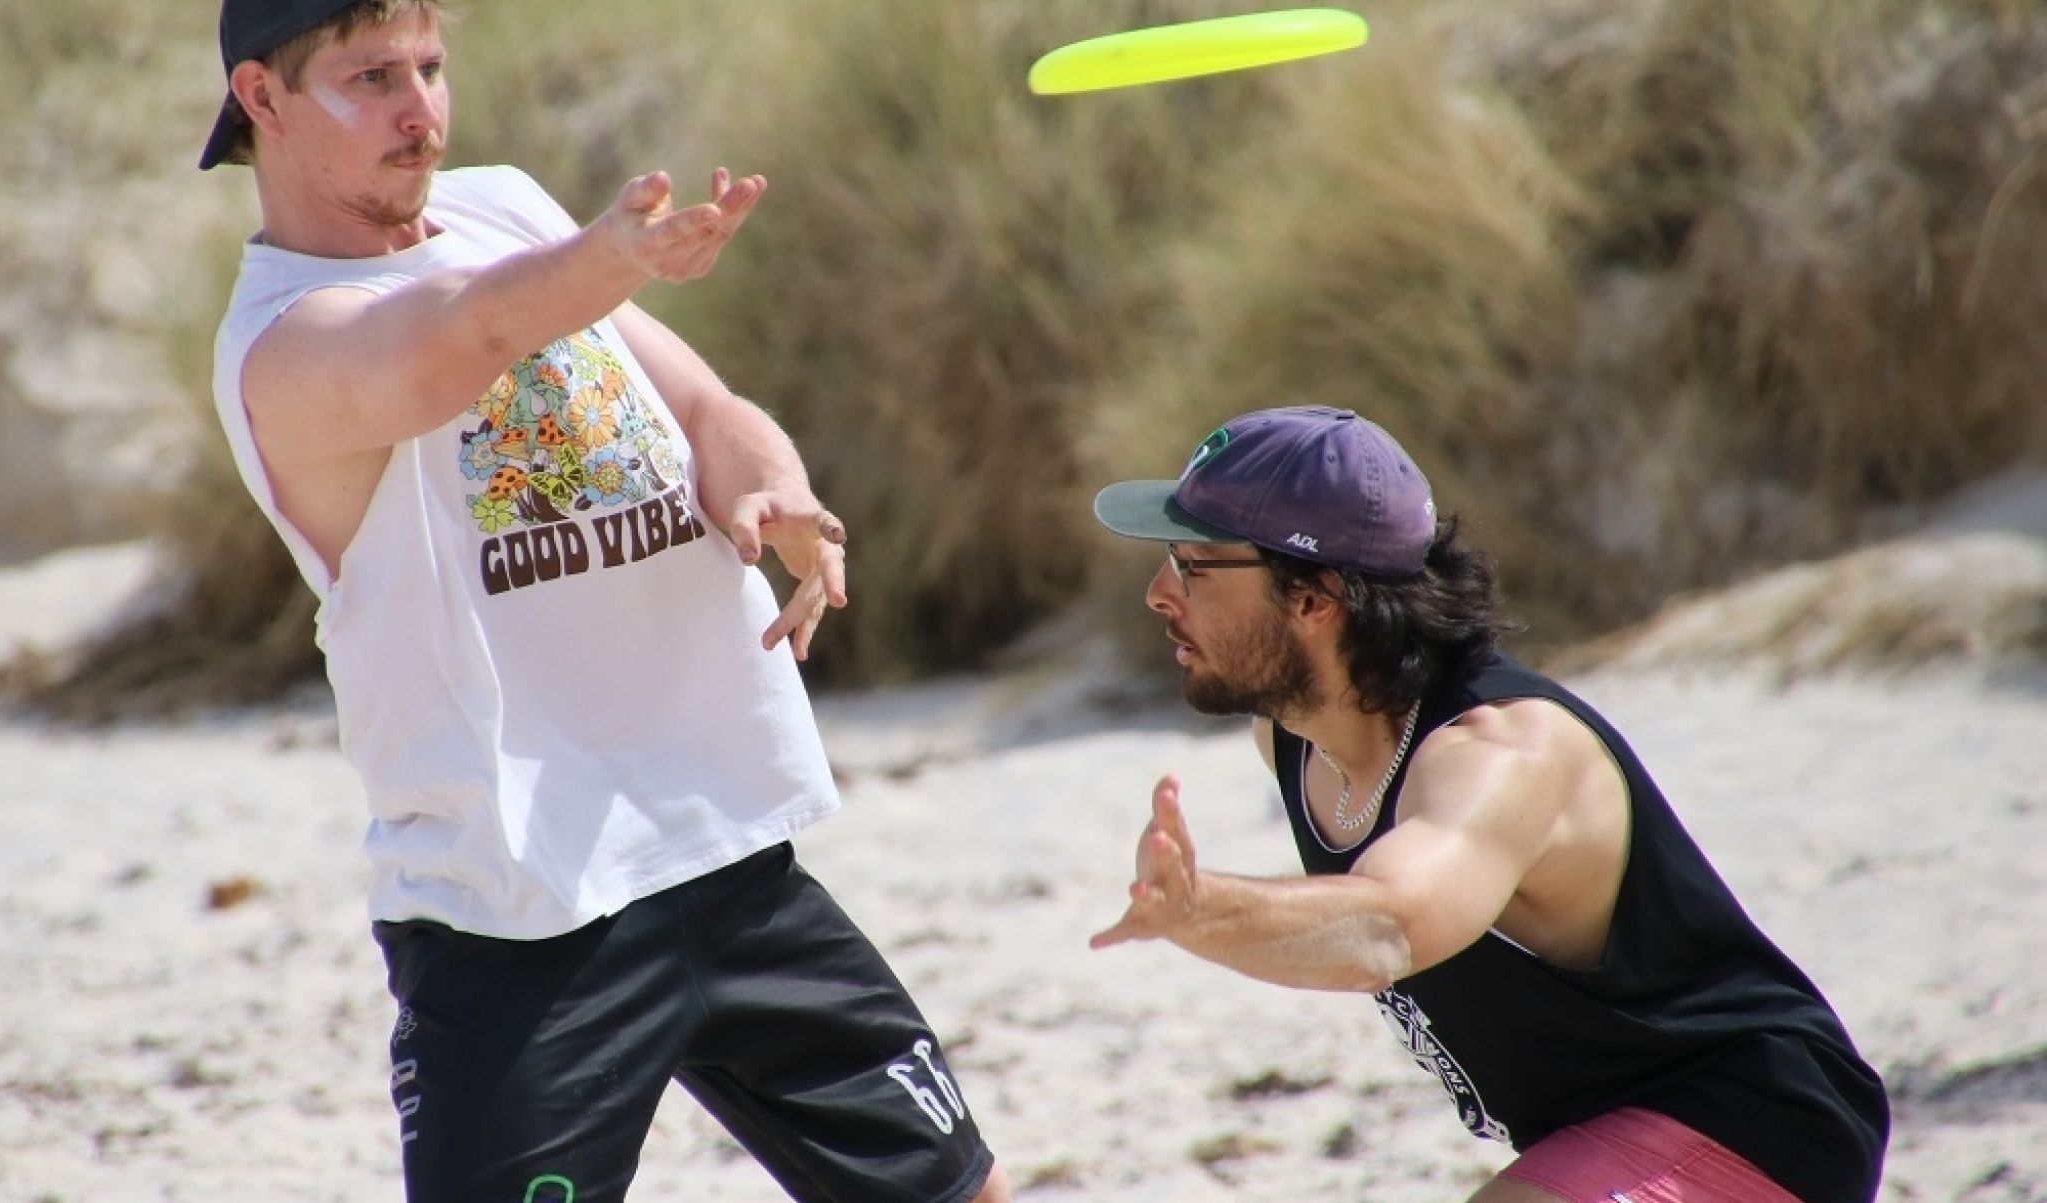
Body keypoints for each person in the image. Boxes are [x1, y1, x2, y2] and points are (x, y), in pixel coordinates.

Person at [195, 2, 1012, 1200]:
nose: (420, 106)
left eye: (431, 67)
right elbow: (452, 338)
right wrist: (609, 256)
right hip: (521, 920)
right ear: (261, 99)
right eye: (372, 78)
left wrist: (772, 490)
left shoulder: (501, 209)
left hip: (728, 852)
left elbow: (701, 409)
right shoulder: (280, 344)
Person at [1083, 405, 1889, 1203]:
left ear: (1314, 599)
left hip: (1751, 1116)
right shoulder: (1291, 742)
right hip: (1597, 1131)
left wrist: (1201, 909)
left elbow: (1391, 924)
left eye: (1193, 563)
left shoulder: (1501, 752)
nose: (1158, 593)